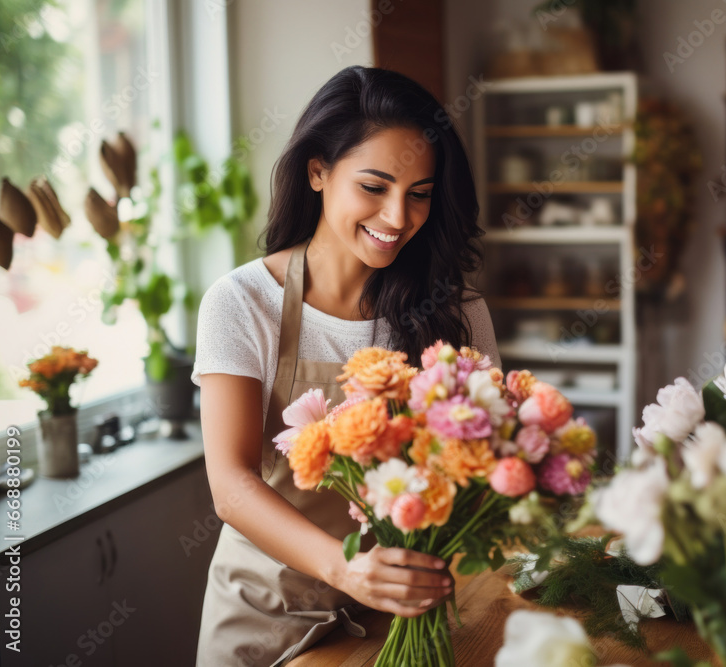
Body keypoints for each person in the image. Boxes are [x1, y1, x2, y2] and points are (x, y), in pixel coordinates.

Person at [190, 65, 500, 667]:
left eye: (419, 193)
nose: (396, 218)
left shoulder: (458, 313)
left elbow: (487, 461)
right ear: (317, 172)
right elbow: (231, 487)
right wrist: (345, 567)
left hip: (396, 616)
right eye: (374, 186)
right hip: (264, 613)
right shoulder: (241, 302)